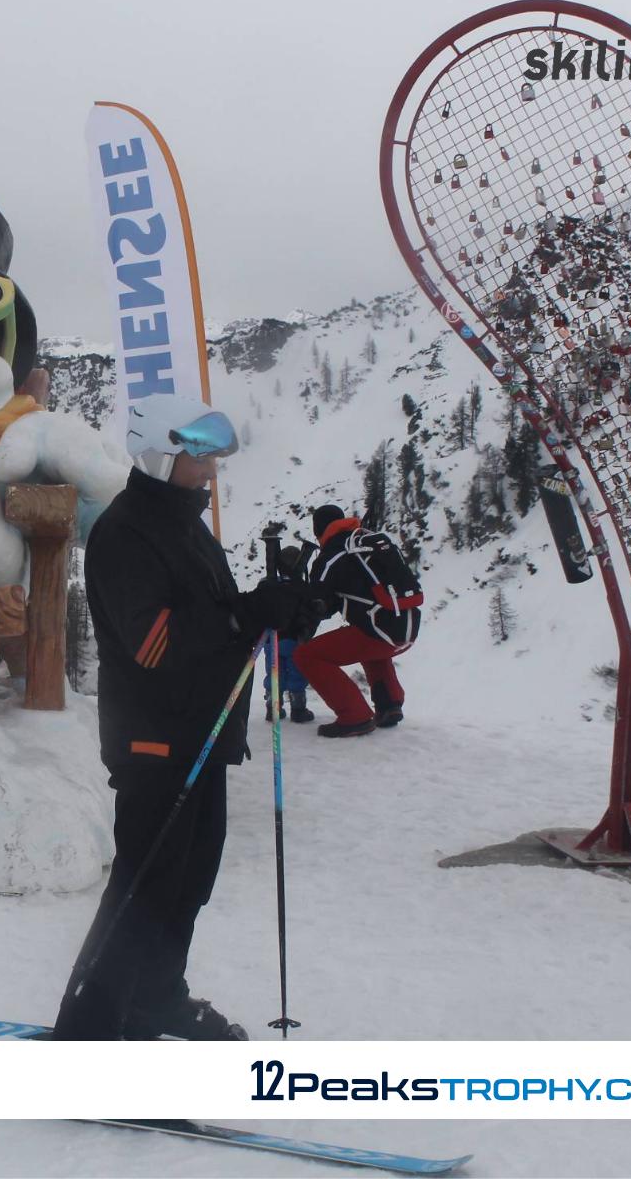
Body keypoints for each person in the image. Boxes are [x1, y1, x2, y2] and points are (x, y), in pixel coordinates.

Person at [52, 392, 322, 1041]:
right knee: (143, 889)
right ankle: (86, 1036)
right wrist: (244, 615)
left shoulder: (183, 524)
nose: (210, 467)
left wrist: (280, 609)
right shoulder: (126, 531)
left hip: (200, 736)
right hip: (155, 743)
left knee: (187, 883)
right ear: (158, 453)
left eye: (211, 454)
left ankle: (154, 1000)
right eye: (197, 453)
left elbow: (217, 620)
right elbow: (154, 644)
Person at [294, 504, 422, 738]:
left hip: (380, 630)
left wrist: (297, 617)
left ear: (318, 530)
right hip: (407, 625)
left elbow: (318, 602)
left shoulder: (332, 553)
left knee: (306, 655)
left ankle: (354, 716)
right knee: (366, 635)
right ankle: (389, 705)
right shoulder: (364, 543)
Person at [264, 545, 315, 724]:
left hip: (271, 640)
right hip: (295, 640)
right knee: (296, 674)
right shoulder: (302, 587)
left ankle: (273, 708)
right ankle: (298, 709)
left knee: (273, 673)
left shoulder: (269, 584)